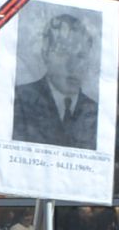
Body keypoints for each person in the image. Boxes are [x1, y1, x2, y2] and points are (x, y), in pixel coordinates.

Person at [10, 10, 98, 150]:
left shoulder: (96, 112)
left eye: (81, 56)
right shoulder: (18, 100)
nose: (73, 66)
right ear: (45, 55)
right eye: (63, 53)